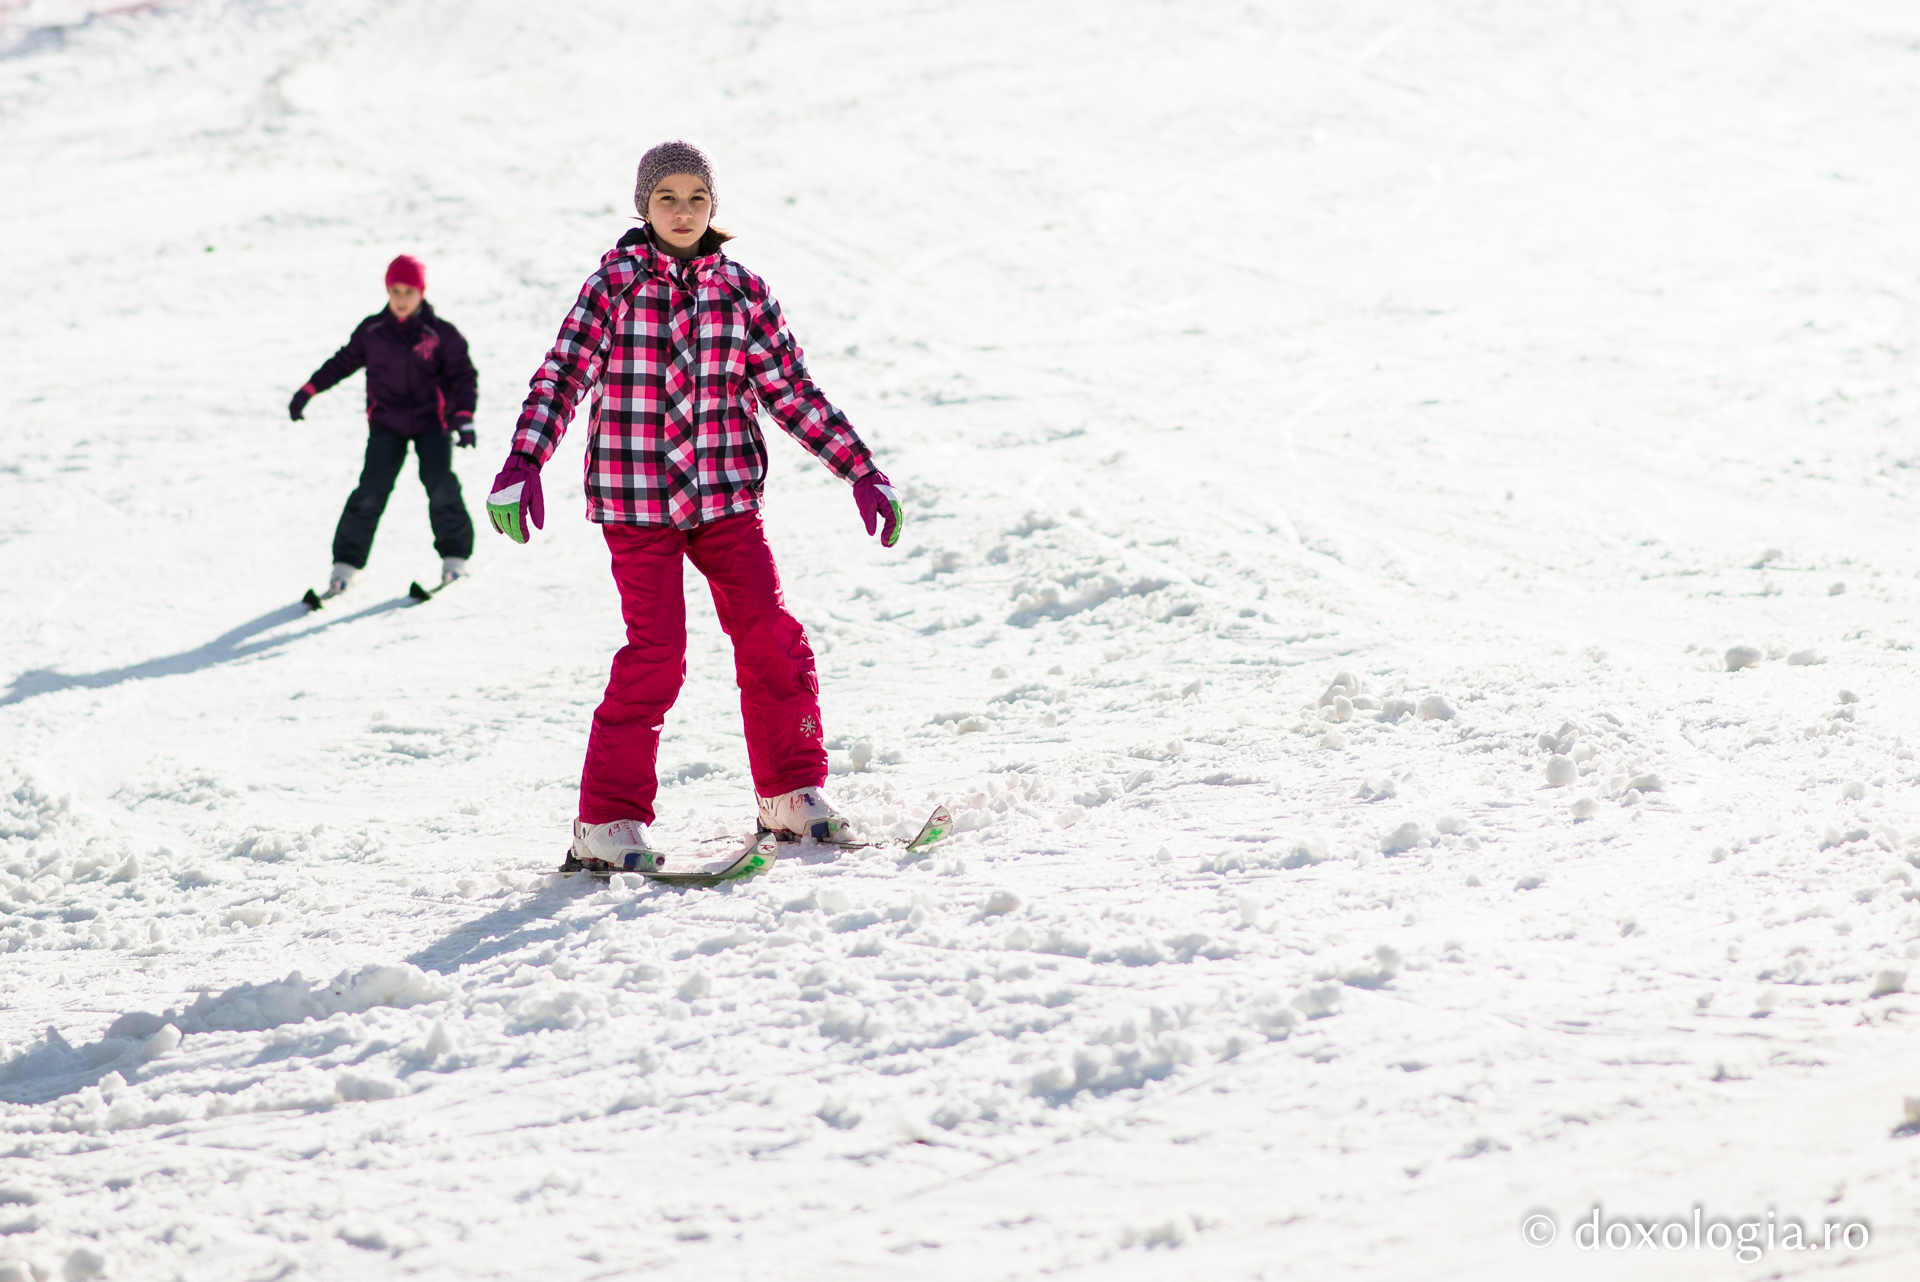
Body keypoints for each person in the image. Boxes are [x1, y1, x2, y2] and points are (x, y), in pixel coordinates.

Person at [486, 139, 903, 866]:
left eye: (696, 198)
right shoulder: (614, 283)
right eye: (667, 198)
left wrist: (860, 469)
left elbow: (791, 392)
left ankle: (790, 793)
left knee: (770, 632)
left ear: (715, 206)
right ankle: (605, 823)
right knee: (658, 653)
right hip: (636, 500)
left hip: (725, 498)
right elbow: (562, 376)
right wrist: (525, 459)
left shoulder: (741, 290)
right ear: (643, 205)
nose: (682, 212)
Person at [289, 255, 478, 596]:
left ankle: (455, 560)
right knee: (370, 490)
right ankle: (345, 567)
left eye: (409, 290)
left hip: (431, 424)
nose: (402, 298)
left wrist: (463, 418)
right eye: (395, 290)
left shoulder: (440, 333)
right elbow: (342, 362)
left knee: (440, 485)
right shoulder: (372, 331)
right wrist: (309, 390)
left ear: (421, 292)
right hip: (386, 424)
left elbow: (464, 376)